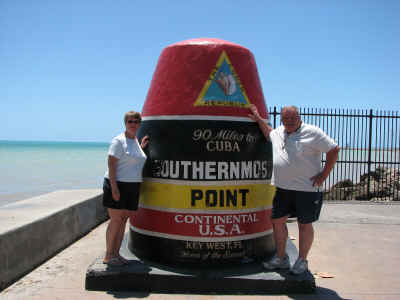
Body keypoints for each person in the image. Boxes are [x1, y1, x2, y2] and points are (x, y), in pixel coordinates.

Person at [248, 104, 339, 274]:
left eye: (292, 118)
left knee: (304, 224)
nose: (289, 122)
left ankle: (302, 260)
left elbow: (333, 149)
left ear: (299, 117)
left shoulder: (313, 132)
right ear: (281, 119)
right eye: (285, 119)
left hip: (307, 189)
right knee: (277, 222)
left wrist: (323, 175)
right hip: (282, 188)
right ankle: (281, 258)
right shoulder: (279, 133)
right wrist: (258, 118)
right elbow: (268, 131)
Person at [102, 111, 149, 266]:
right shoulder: (119, 141)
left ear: (139, 123)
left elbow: (134, 158)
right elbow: (111, 164)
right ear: (125, 123)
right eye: (130, 121)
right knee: (115, 220)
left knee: (123, 221)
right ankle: (109, 255)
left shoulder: (135, 141)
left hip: (132, 185)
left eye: (136, 121)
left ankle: (116, 254)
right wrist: (114, 188)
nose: (133, 124)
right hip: (118, 184)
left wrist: (142, 147)